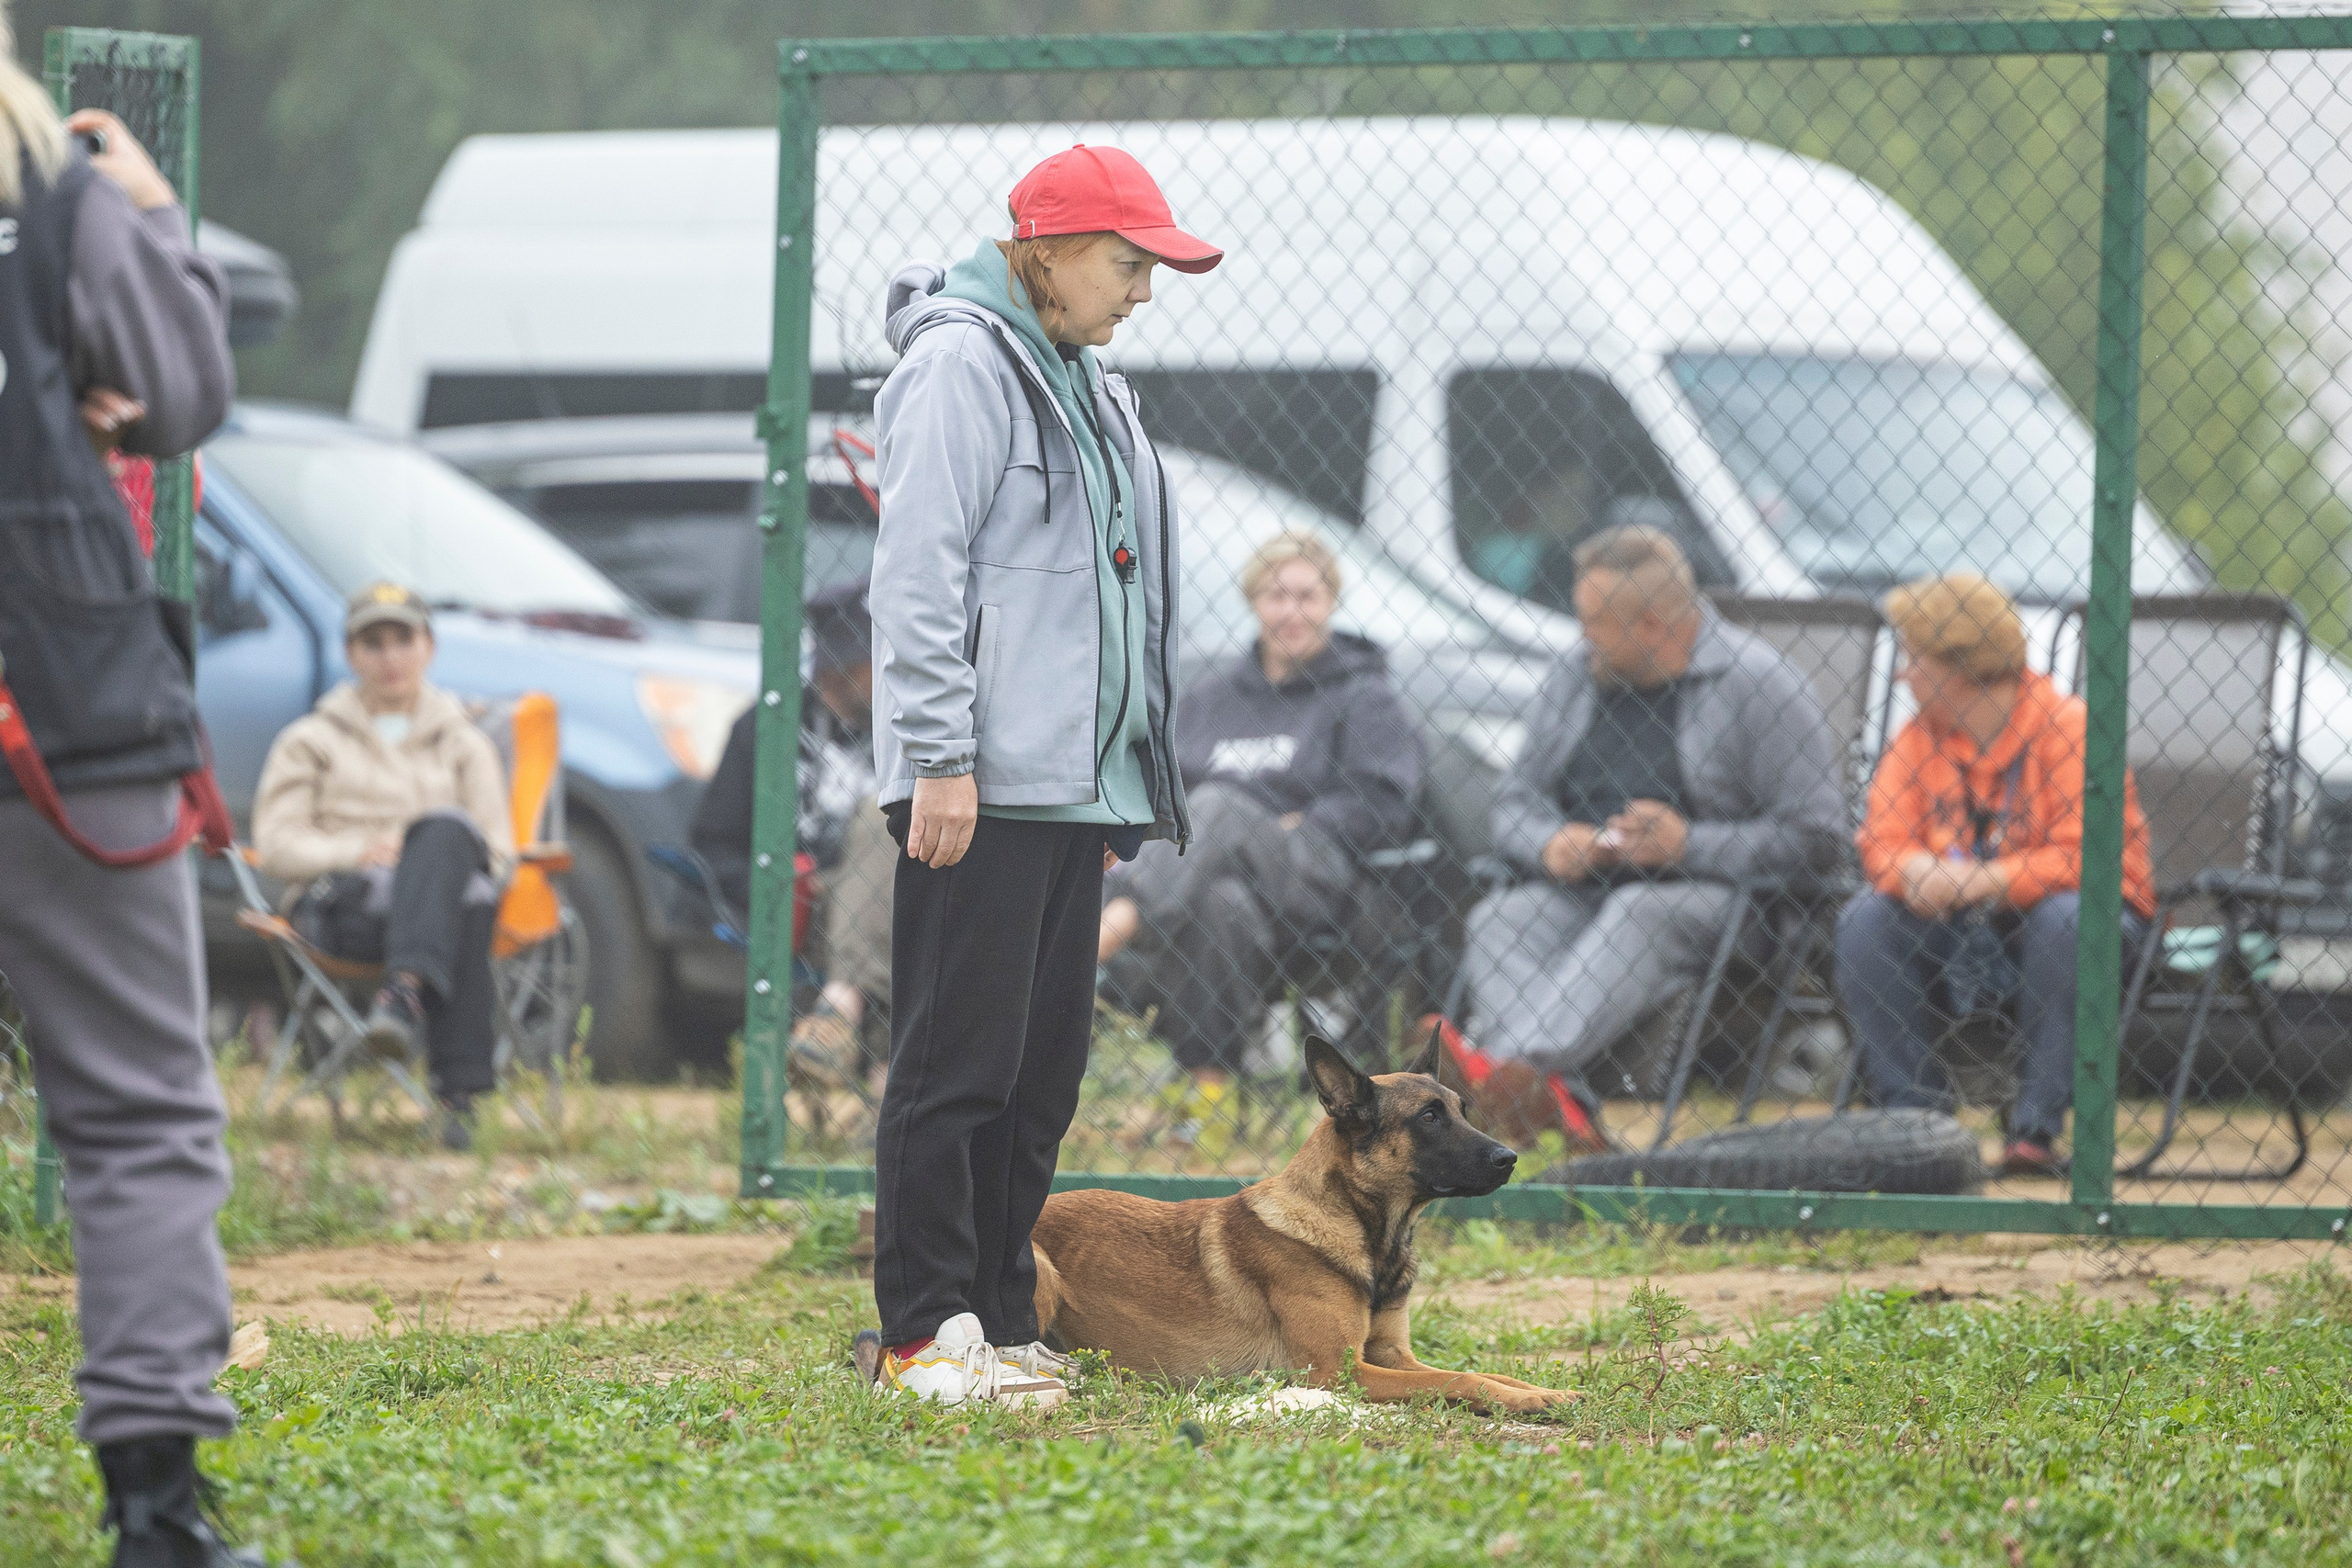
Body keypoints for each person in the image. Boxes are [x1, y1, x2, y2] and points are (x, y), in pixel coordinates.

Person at [864, 143, 1217, 1408]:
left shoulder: (1083, 374)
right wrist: (941, 757)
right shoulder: (961, 363)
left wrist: (1123, 773)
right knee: (954, 1062)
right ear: (1049, 249)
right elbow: (918, 578)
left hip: (1072, 789)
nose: (1142, 288)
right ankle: (920, 1333)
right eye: (1129, 262)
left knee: (1039, 1067)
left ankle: (1001, 1316)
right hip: (980, 784)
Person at [0, 27, 270, 1563]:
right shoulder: (53, 190)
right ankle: (156, 1512)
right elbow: (176, 390)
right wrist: (152, 231)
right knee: (138, 1118)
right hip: (57, 707)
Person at [1453, 525, 1844, 1151]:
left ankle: (1505, 1068)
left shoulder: (1761, 685)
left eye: (1593, 621)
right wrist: (1551, 842)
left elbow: (1819, 839)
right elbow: (1514, 801)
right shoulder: (1575, 676)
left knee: (1641, 910)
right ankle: (1557, 1104)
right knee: (1502, 914)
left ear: (1655, 626)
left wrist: (1688, 844)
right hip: (1588, 888)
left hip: (1724, 903)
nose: (1580, 634)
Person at [1096, 530, 1420, 1155]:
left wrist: (1299, 823)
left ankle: (1106, 925)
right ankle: (1209, 1092)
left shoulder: (1363, 695)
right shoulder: (1214, 699)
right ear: (1254, 601)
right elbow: (1161, 790)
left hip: (1317, 875)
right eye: (1277, 595)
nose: (1291, 611)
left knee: (1218, 804)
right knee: (1222, 903)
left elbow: (1382, 801)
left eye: (1307, 595)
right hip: (1210, 885)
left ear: (1331, 601)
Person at [1838, 573, 2155, 1179]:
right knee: (1866, 921)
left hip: (2067, 927)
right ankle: (1917, 1126)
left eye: (1914, 658)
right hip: (1959, 928)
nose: (1903, 674)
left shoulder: (2069, 728)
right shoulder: (1918, 739)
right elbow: (1880, 842)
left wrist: (1980, 880)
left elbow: (2091, 860)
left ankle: (2034, 1131)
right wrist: (1911, 870)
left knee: (2068, 919)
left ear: (1959, 664)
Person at [252, 584, 513, 1151]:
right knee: (466, 899)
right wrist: (359, 850)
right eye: (374, 643)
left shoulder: (465, 743)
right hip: (344, 908)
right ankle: (458, 1096)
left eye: (403, 641)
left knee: (451, 849)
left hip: (436, 907)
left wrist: (420, 854)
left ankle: (402, 993)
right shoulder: (309, 740)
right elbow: (274, 844)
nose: (390, 658)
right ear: (350, 654)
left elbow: (495, 850)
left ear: (429, 648)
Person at [693, 578, 893, 1086]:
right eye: (866, 662)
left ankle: (838, 1018)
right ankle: (881, 1065)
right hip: (812, 905)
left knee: (884, 817)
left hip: (912, 897)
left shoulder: (916, 726)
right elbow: (712, 845)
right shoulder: (768, 727)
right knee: (881, 816)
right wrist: (780, 882)